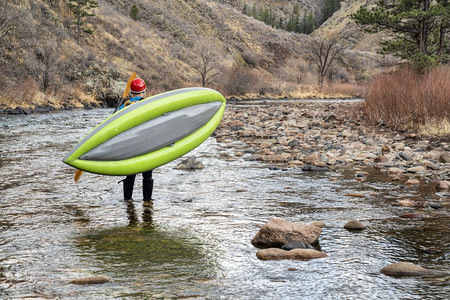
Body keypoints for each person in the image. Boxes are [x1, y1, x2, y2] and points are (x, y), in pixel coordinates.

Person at [118, 78, 154, 204]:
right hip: (147, 143)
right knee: (147, 175)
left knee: (130, 174)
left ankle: (128, 201)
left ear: (132, 92)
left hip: (130, 145)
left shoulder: (125, 105)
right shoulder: (150, 104)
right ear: (144, 91)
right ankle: (147, 202)